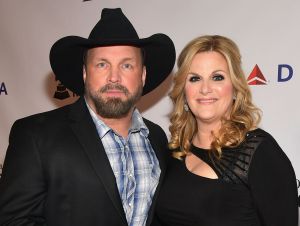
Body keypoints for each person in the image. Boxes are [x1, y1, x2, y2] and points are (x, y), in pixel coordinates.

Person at [0, 8, 175, 226]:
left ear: (143, 75)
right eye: (102, 64)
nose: (114, 77)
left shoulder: (157, 138)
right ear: (85, 73)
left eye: (127, 65)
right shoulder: (35, 135)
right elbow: (15, 221)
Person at [153, 35, 298, 226]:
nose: (205, 89)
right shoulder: (174, 152)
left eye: (217, 77)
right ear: (183, 90)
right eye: (195, 78)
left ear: (236, 88)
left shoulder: (258, 152)